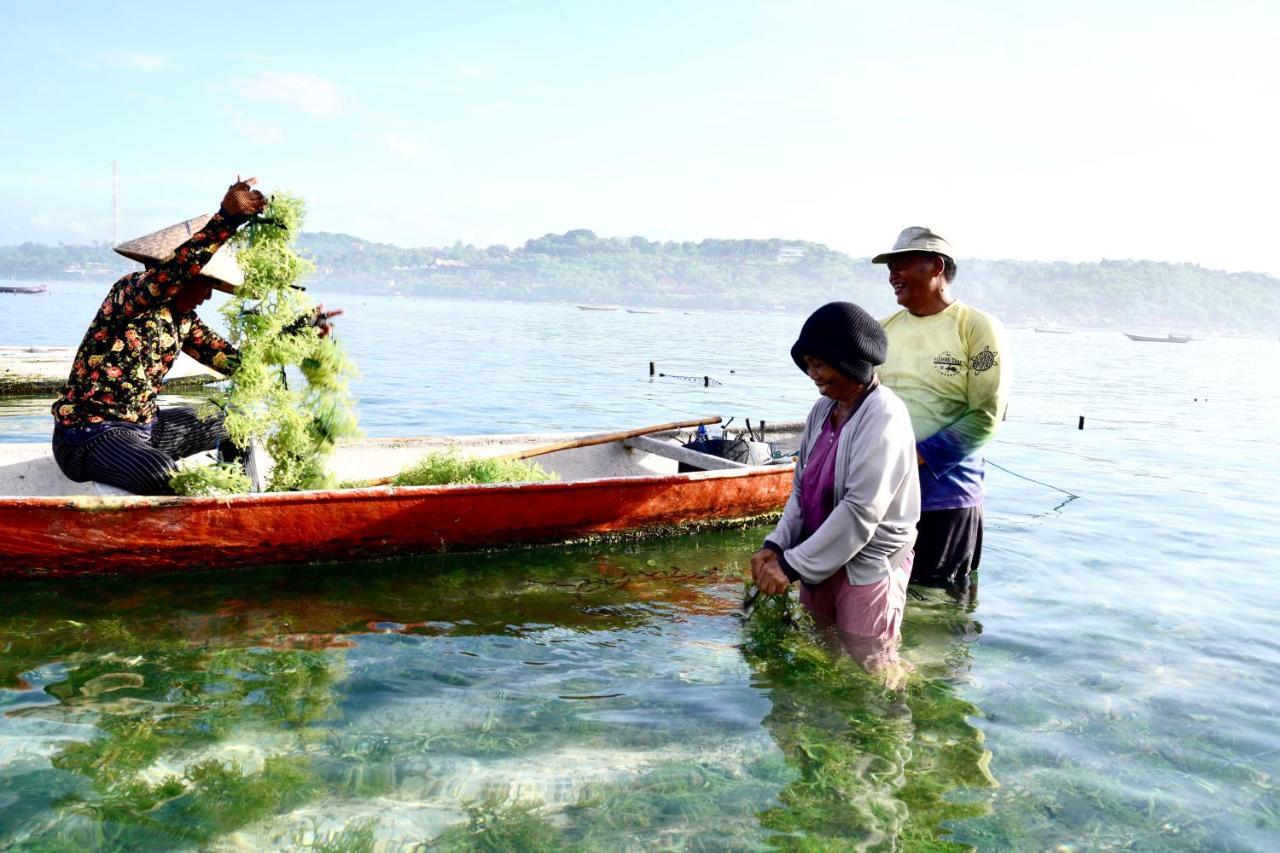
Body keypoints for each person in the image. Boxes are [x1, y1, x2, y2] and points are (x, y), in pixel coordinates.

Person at [50, 178, 338, 495]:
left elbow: (238, 362)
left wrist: (299, 332)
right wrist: (227, 219)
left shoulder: (184, 321)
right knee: (159, 472)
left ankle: (244, 500)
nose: (209, 296)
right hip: (87, 435)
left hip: (146, 428)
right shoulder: (129, 296)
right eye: (207, 285)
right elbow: (171, 274)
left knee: (234, 421)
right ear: (186, 279)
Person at [750, 302, 921, 668]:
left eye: (820, 364)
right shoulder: (823, 410)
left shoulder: (884, 416)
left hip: (867, 568)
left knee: (873, 664)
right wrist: (776, 545)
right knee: (820, 655)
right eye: (808, 365)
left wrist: (791, 566)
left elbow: (861, 511)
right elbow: (801, 490)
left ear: (850, 363)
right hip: (820, 559)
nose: (813, 374)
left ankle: (892, 723)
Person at [872, 227, 1009, 594]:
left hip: (946, 498)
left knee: (938, 610)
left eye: (902, 264)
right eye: (890, 266)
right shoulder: (881, 331)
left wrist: (915, 456)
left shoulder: (975, 327)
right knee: (881, 601)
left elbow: (987, 415)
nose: (892, 275)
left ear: (936, 266)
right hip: (884, 497)